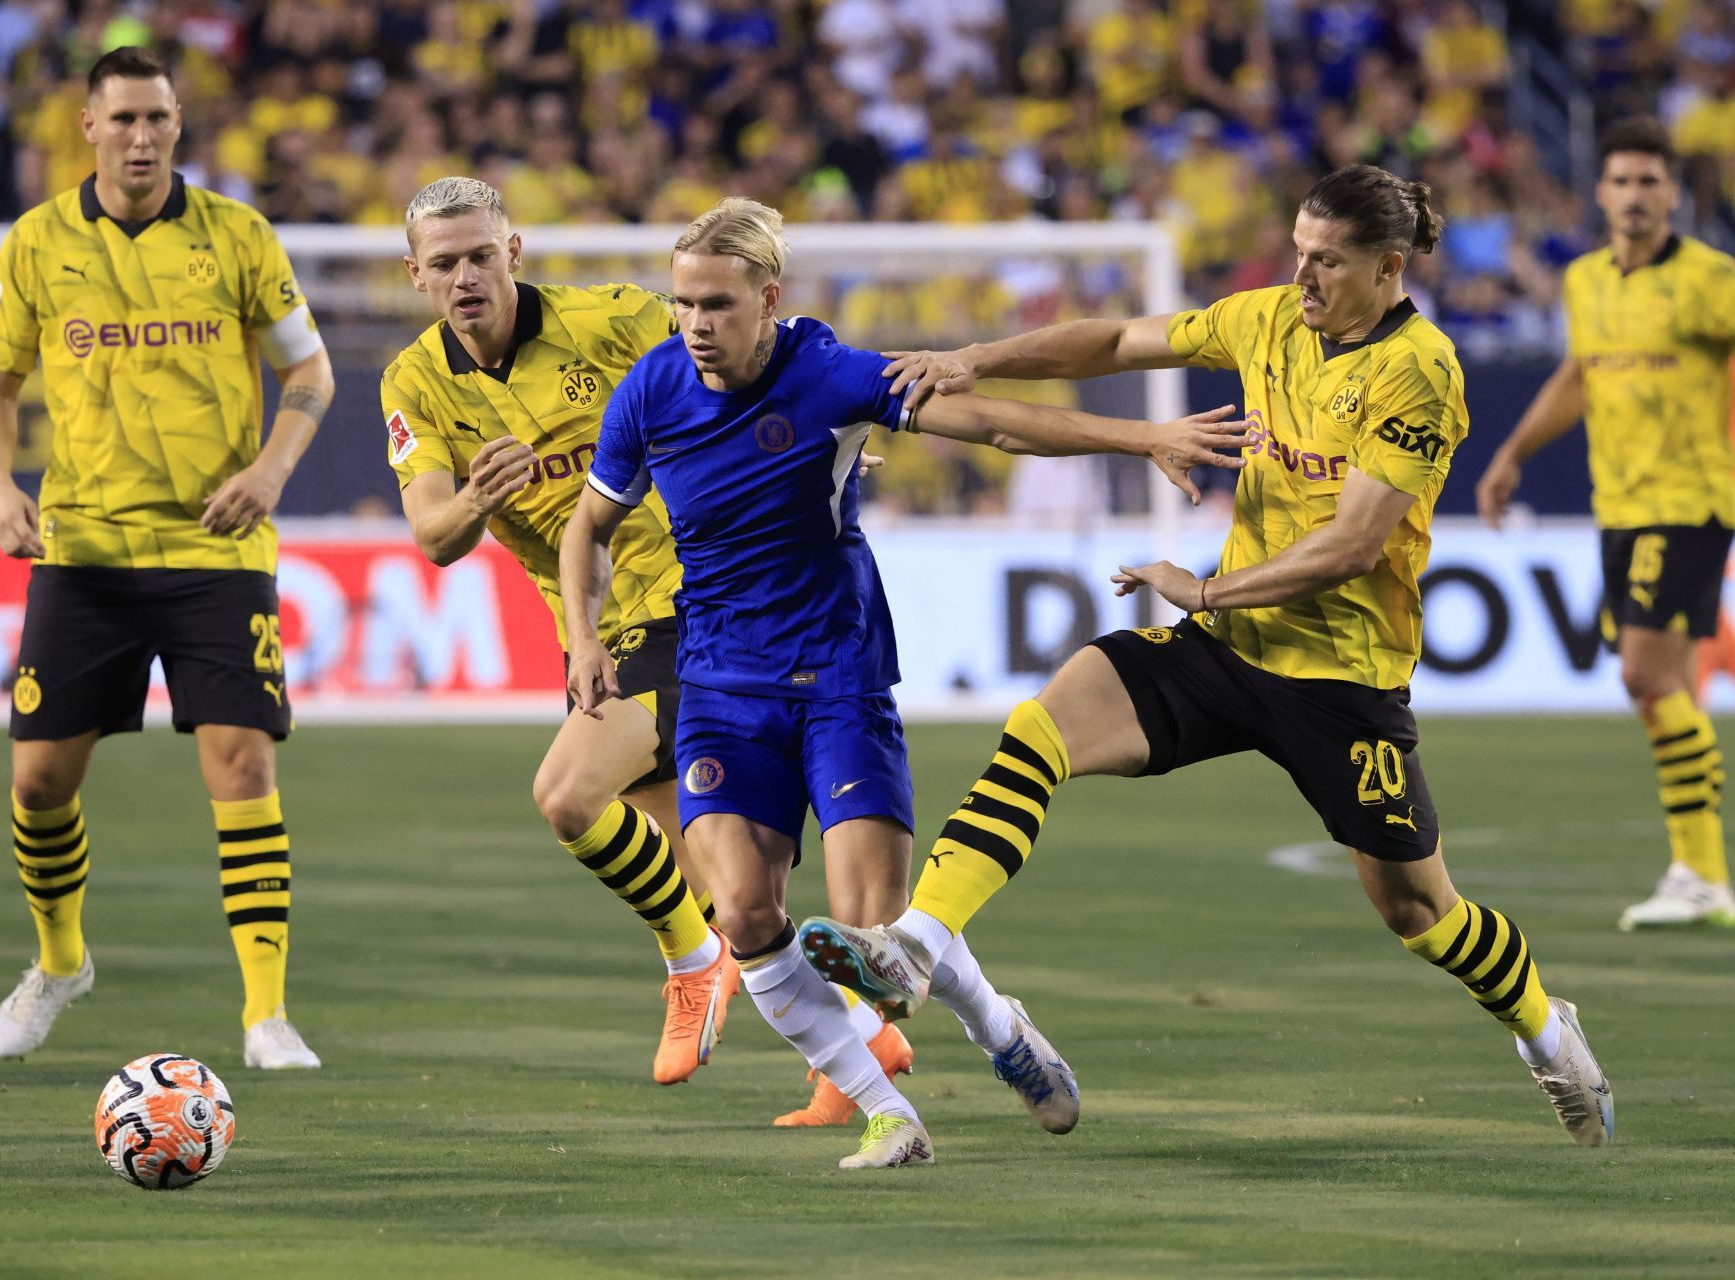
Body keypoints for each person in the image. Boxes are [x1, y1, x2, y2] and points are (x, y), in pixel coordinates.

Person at [801, 165, 1617, 1148]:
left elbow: (1355, 543)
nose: (1303, 275)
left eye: (1328, 261)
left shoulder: (1421, 370)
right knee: (1044, 724)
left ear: (1390, 267)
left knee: (1419, 910)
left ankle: (1543, 1028)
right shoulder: (1267, 318)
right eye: (1300, 251)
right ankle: (913, 948)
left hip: (1341, 681)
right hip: (1226, 649)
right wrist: (976, 358)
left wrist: (1208, 586)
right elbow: (1115, 339)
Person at [559, 197, 1253, 1168]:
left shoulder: (829, 372)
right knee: (747, 914)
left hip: (838, 676)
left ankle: (1000, 1027)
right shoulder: (650, 388)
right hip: (719, 687)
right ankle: (887, 1109)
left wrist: (1141, 439)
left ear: (769, 298)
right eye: (682, 303)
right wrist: (582, 637)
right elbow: (587, 521)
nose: (695, 324)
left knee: (879, 941)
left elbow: (993, 428)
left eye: (716, 303)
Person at [0, 48, 335, 1068]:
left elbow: (308, 367)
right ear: (86, 125)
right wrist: (0, 489)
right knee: (40, 782)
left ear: (181, 126)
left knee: (243, 760)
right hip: (81, 546)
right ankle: (59, 961)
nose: (142, 137)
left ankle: (266, 1013)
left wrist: (269, 470)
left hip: (215, 545)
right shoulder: (37, 242)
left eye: (159, 119)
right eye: (123, 117)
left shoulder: (237, 235)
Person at [383, 176, 746, 1090]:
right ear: (415, 276)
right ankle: (861, 1046)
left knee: (567, 795)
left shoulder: (617, 320)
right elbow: (434, 537)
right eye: (443, 263)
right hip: (593, 632)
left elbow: (749, 357)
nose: (465, 276)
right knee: (727, 887)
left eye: (479, 255)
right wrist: (476, 495)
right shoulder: (414, 382)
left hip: (698, 598)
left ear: (513, 253)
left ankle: (688, 961)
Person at [1477, 117, 1735, 931]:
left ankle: (1702, 871)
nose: (1634, 196)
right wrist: (1512, 449)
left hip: (1688, 499)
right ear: (1601, 191)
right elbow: (1582, 375)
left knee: (1643, 676)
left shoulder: (1708, 279)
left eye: (1650, 182)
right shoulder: (1587, 281)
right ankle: (1698, 871)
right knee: (1660, 689)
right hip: (1618, 505)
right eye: (1621, 181)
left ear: (1673, 194)